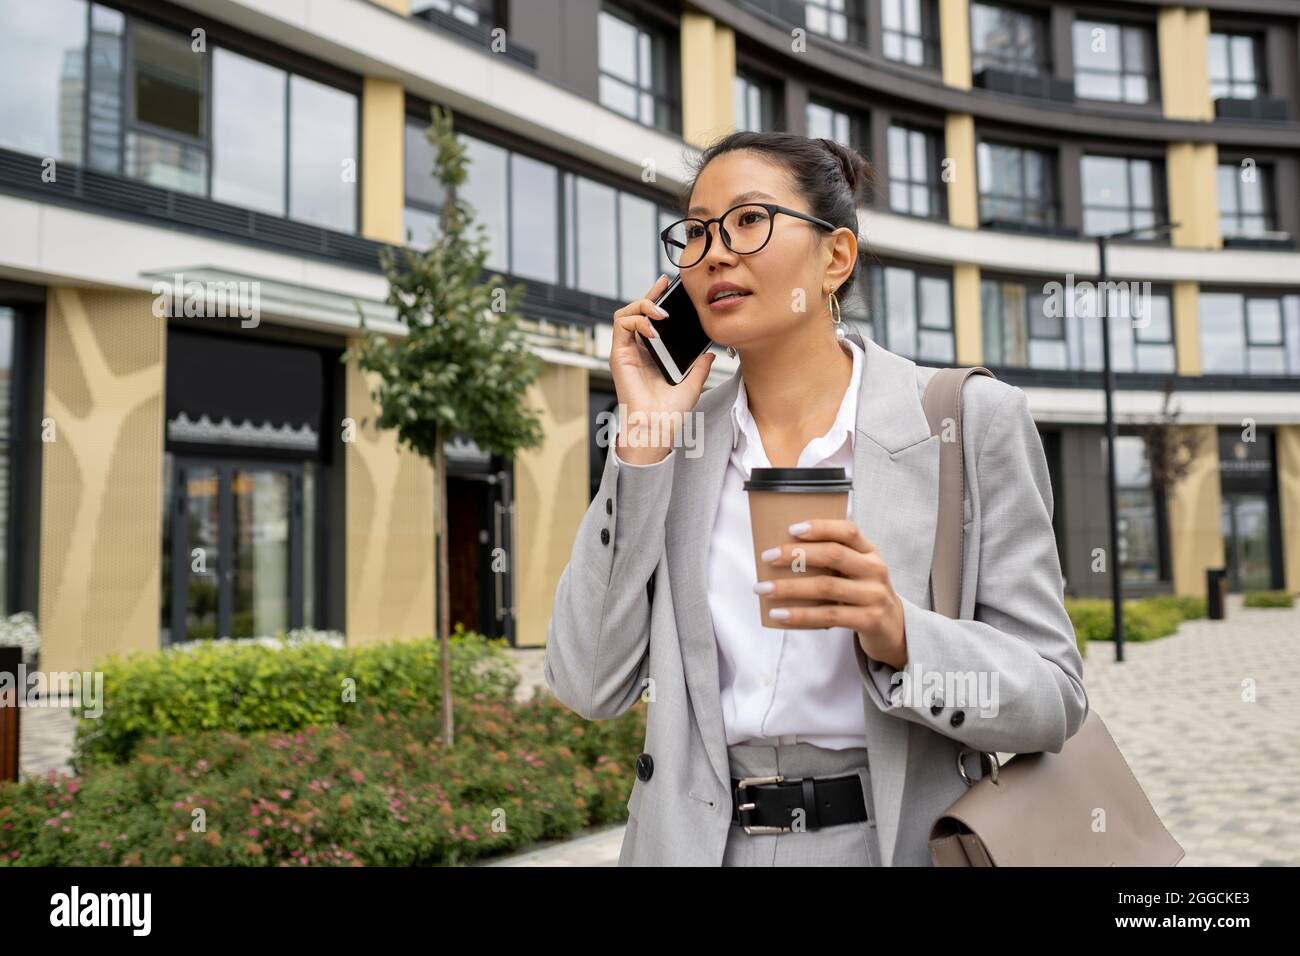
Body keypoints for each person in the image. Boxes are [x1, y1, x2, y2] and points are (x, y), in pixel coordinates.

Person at [544, 130, 1088, 866]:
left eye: (748, 221)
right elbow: (587, 684)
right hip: (698, 846)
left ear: (834, 258)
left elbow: (1052, 698)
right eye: (696, 232)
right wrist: (640, 443)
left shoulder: (966, 421)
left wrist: (901, 635)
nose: (714, 253)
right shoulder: (675, 441)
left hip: (891, 842)